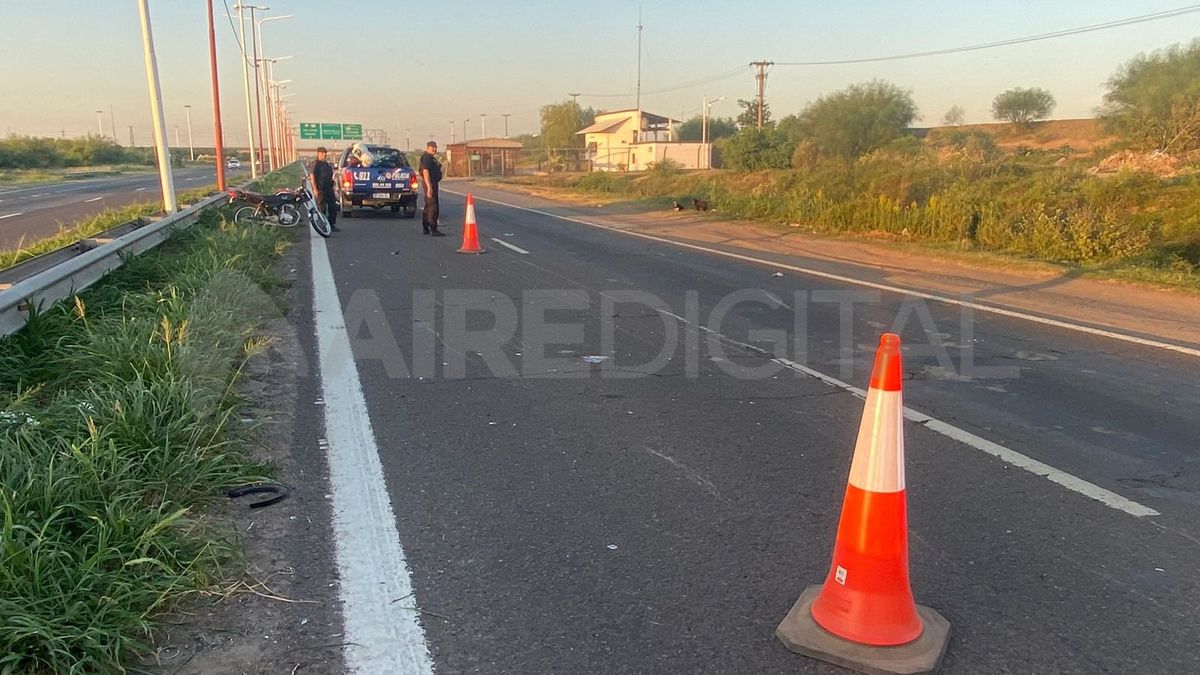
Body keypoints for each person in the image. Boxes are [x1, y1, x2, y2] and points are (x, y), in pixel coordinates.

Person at [419, 141, 444, 236]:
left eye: (435, 147)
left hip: (432, 183)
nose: (434, 149)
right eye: (432, 147)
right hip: (430, 183)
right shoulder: (426, 158)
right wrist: (429, 187)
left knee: (428, 205)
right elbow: (425, 172)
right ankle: (433, 228)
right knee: (433, 206)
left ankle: (425, 227)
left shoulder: (431, 158)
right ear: (428, 147)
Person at [311, 146, 339, 232]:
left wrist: (333, 184)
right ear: (318, 153)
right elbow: (312, 177)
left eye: (325, 153)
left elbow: (330, 176)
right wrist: (315, 189)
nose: (324, 155)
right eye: (322, 153)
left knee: (333, 207)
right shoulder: (316, 164)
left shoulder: (326, 164)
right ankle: (323, 226)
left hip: (329, 189)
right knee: (322, 208)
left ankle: (332, 224)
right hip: (321, 189)